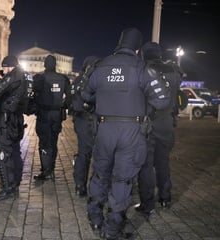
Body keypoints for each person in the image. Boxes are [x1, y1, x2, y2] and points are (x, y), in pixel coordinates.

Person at [81, 28, 170, 239]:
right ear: (138, 49)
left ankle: (95, 218)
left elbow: (85, 95)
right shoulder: (142, 68)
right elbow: (163, 100)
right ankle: (113, 229)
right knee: (122, 180)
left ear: (119, 44)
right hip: (131, 131)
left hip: (104, 129)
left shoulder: (100, 66)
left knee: (100, 173)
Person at [135, 42, 182, 216]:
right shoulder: (173, 71)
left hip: (149, 123)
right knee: (163, 162)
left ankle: (147, 203)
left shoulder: (144, 70)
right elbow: (178, 97)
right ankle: (165, 197)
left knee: (145, 165)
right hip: (167, 123)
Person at [0, 55, 28, 200]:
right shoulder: (26, 76)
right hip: (18, 118)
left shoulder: (13, 75)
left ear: (8, 66)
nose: (4, 71)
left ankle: (8, 187)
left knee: (5, 153)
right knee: (15, 151)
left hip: (7, 119)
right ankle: (16, 181)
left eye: (4, 68)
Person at [33, 54, 71, 181]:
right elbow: (69, 98)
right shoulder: (63, 79)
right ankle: (51, 167)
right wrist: (62, 106)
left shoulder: (40, 78)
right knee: (53, 141)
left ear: (45, 64)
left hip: (44, 114)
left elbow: (33, 94)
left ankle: (46, 170)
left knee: (44, 142)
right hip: (57, 115)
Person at [71, 56, 101, 196]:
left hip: (80, 121)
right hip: (93, 120)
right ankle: (95, 187)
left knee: (83, 153)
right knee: (97, 155)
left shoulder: (77, 80)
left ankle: (79, 185)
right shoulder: (95, 81)